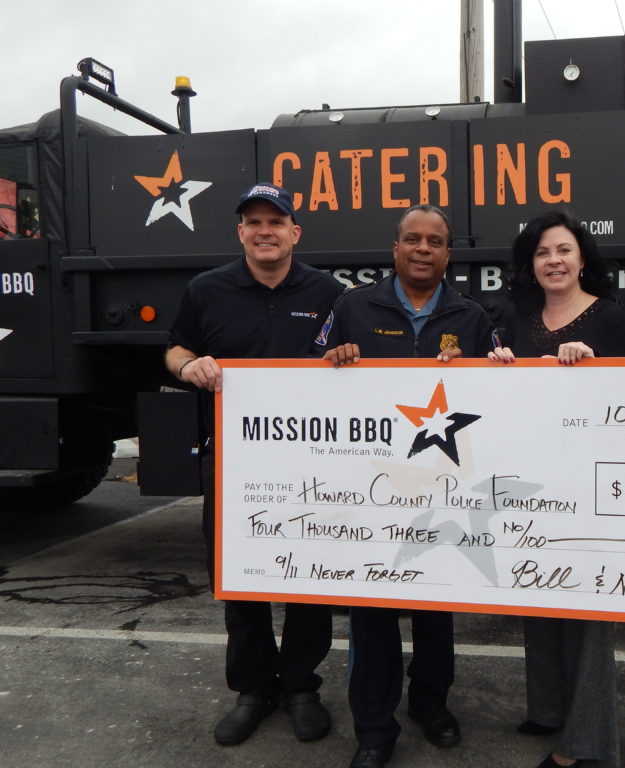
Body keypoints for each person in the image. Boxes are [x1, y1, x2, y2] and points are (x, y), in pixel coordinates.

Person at [318, 203, 496, 768]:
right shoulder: (351, 307)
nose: (423, 248)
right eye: (413, 239)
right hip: (371, 491)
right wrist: (331, 360)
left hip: (444, 486)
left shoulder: (472, 316)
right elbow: (303, 381)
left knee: (436, 604)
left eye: (435, 241)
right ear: (394, 248)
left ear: (448, 253)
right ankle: (374, 728)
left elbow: (502, 397)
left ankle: (431, 702)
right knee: (371, 610)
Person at [165, 183, 340, 747]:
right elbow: (174, 347)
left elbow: (357, 362)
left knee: (310, 576)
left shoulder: (330, 293)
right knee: (238, 574)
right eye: (253, 221)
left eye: (276, 221)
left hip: (312, 463)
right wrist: (189, 365)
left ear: (296, 232)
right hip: (234, 464)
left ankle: (300, 686)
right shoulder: (207, 290)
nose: (265, 230)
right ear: (240, 232)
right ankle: (254, 688)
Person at [489, 209, 625, 768]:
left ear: (582, 259)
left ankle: (584, 743)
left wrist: (592, 366)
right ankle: (549, 710)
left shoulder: (610, 319)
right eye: (543, 252)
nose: (554, 261)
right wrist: (496, 364)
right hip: (530, 479)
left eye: (564, 250)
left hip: (592, 484)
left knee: (589, 612)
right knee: (540, 597)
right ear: (532, 264)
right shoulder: (515, 316)